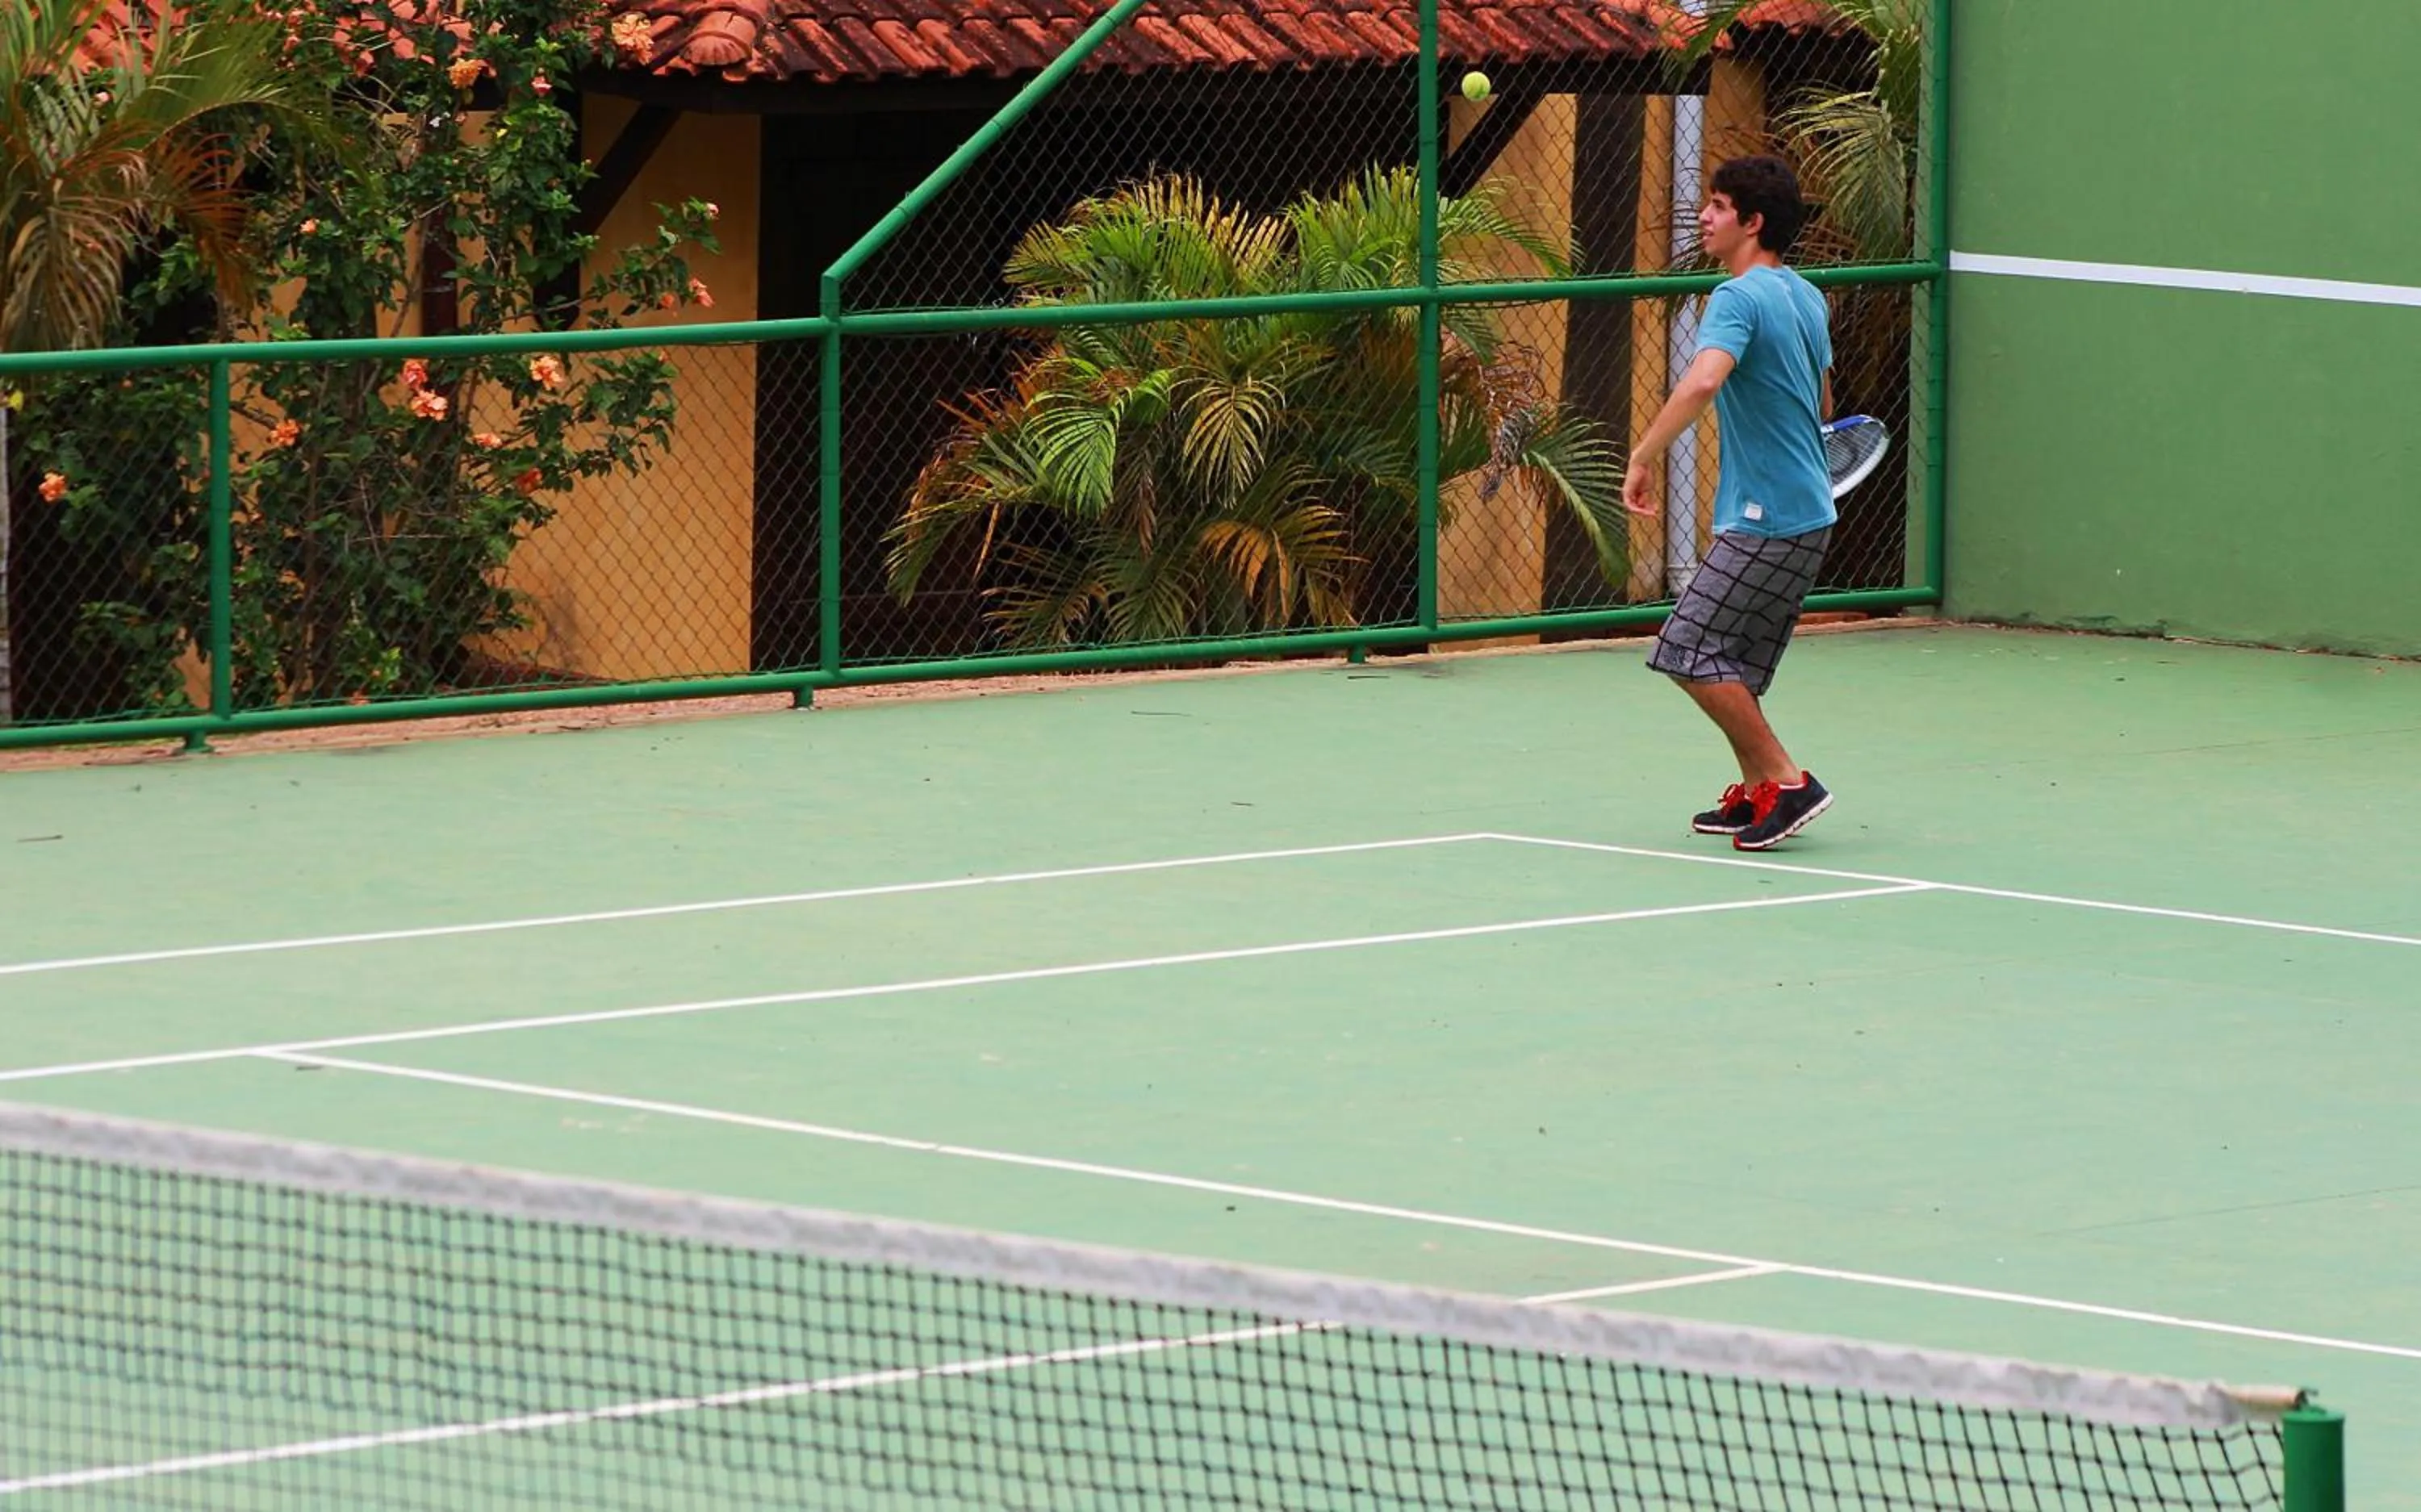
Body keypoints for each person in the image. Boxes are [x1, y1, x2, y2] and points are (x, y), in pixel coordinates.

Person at [1622, 153, 1836, 852]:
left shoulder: (1737, 298)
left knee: (1685, 647)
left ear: (1753, 222)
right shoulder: (1807, 295)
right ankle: (1758, 793)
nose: (1705, 218)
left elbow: (1705, 382)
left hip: (1768, 518)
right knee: (1728, 660)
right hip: (1805, 513)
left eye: (1717, 207)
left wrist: (1643, 455)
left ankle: (1788, 778)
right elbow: (1825, 404)